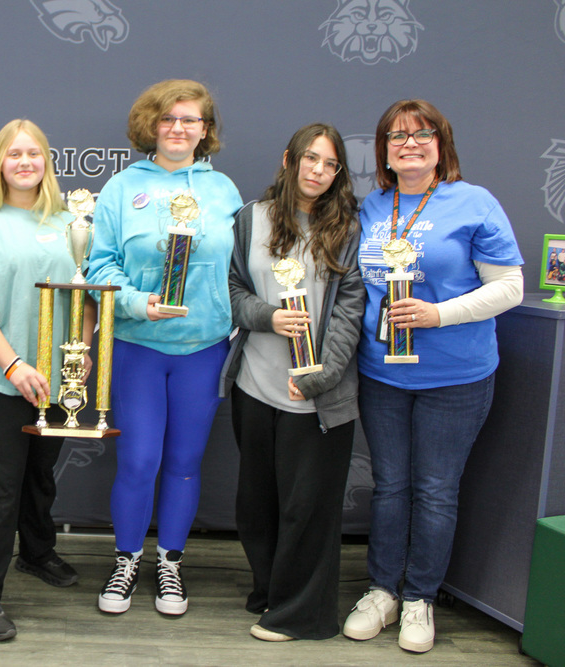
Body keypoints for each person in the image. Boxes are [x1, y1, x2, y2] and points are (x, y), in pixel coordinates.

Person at [343, 100, 523, 653]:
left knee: (436, 490)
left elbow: (510, 287)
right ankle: (382, 591)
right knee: (390, 487)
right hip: (383, 374)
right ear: (384, 151)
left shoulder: (475, 203)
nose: (410, 144)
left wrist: (437, 314)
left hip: (455, 376)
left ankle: (419, 597)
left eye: (423, 134)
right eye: (397, 136)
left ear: (441, 146)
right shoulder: (373, 206)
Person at [87, 79, 242, 616]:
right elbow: (99, 265)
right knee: (138, 460)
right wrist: (136, 303)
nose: (178, 128)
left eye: (189, 119)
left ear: (205, 130)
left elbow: (240, 269)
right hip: (138, 346)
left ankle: (170, 563)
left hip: (203, 347)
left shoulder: (223, 190)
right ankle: (127, 559)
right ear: (150, 125)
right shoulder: (120, 188)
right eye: (168, 118)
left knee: (184, 462)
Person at [0, 119, 95, 641]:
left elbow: (85, 293)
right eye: (13, 154)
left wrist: (78, 354)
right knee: (1, 483)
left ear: (47, 162)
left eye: (33, 153)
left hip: (58, 377)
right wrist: (14, 365)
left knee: (40, 473)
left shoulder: (72, 221)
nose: (24, 162)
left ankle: (36, 553)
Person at [220, 123, 363, 641]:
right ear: (288, 159)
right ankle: (271, 591)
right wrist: (268, 316)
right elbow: (232, 289)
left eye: (330, 164)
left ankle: (301, 615)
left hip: (316, 395)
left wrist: (322, 376)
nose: (319, 171)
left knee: (308, 509)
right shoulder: (250, 218)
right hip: (255, 386)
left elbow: (350, 309)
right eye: (311, 159)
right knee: (257, 504)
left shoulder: (348, 228)